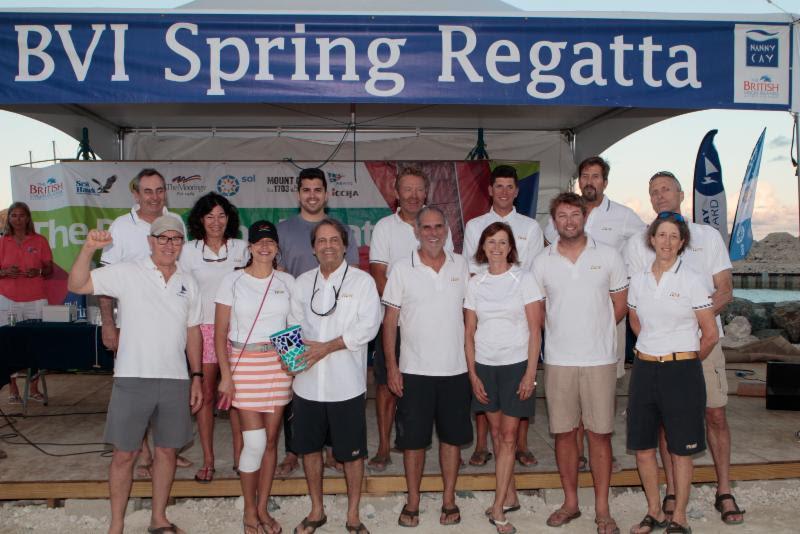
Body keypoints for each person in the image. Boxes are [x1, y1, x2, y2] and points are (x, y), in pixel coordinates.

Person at [67, 215, 203, 534]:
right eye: (162, 238)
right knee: (125, 454)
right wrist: (88, 249)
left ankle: (159, 519)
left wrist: (196, 375)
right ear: (150, 241)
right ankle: (116, 525)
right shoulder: (128, 272)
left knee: (167, 451)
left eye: (176, 238)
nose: (169, 244)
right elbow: (77, 284)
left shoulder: (189, 281)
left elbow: (193, 331)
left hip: (175, 379)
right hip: (132, 377)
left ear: (182, 244)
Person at [624, 171, 742, 525]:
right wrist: (658, 343)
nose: (660, 196)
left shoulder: (707, 237)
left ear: (679, 193)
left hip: (700, 345)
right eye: (653, 192)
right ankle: (672, 496)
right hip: (659, 354)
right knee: (662, 426)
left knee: (715, 415)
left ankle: (724, 491)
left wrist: (690, 336)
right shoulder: (637, 245)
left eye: (666, 189)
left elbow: (724, 290)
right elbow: (635, 310)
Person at [532, 193, 628, 534]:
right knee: (564, 435)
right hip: (558, 361)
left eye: (575, 214)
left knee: (600, 436)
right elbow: (538, 312)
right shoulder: (541, 261)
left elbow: (620, 305)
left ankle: (602, 510)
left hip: (600, 360)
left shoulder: (610, 256)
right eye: (562, 215)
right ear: (553, 220)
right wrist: (561, 332)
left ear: (585, 217)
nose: (569, 221)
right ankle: (571, 503)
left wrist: (595, 330)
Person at [545, 156, 645, 473]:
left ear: (605, 181)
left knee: (605, 388)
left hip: (609, 313)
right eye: (585, 176)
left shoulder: (625, 216)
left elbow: (646, 247)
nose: (590, 181)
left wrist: (607, 317)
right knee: (569, 403)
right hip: (567, 321)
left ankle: (602, 449)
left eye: (596, 176)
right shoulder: (559, 220)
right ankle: (577, 455)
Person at [626, 212, 719, 534]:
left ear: (682, 244)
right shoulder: (637, 280)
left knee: (681, 449)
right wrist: (653, 346)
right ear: (651, 239)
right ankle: (653, 511)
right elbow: (635, 321)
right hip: (644, 369)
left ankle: (678, 515)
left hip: (682, 371)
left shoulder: (692, 280)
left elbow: (710, 334)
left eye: (673, 237)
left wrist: (687, 361)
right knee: (643, 447)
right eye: (661, 235)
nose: (666, 242)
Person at [288, 218, 381, 534]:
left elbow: (368, 327)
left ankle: (353, 516)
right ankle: (317, 511)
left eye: (334, 240)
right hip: (307, 385)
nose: (327, 245)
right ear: (313, 249)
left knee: (352, 454)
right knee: (310, 450)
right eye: (321, 240)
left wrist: (326, 347)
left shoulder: (362, 282)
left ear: (345, 245)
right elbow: (292, 325)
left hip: (346, 387)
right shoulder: (301, 283)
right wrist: (292, 358)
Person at [98, 168, 192, 476]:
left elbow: (183, 272)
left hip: (169, 329)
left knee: (165, 391)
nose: (154, 197)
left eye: (160, 190)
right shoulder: (121, 226)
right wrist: (110, 325)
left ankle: (165, 451)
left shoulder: (176, 222)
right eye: (148, 191)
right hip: (131, 327)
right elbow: (105, 282)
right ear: (136, 194)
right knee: (136, 394)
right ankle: (143, 453)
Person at [382, 207, 471, 528]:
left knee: (452, 440)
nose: (433, 232)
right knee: (413, 441)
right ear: (416, 231)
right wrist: (392, 368)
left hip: (455, 371)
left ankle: (449, 500)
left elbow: (471, 318)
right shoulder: (401, 270)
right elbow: (389, 322)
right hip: (414, 371)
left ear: (447, 229)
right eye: (426, 227)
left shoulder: (462, 265)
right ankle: (413, 501)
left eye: (439, 226)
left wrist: (473, 368)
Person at [368, 166, 454, 473]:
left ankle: (416, 440)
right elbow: (379, 275)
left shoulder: (439, 226)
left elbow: (450, 269)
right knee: (386, 385)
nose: (414, 195)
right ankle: (382, 446)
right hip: (397, 322)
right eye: (408, 189)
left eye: (420, 189)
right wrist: (403, 312)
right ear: (396, 192)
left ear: (426, 193)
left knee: (428, 387)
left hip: (434, 326)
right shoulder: (384, 228)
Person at [275, 167, 360, 477]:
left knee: (332, 390)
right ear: (298, 194)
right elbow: (278, 278)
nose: (312, 195)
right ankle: (293, 451)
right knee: (294, 388)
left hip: (334, 325)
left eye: (317, 190)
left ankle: (331, 452)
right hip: (295, 320)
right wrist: (289, 343)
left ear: (327, 194)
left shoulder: (341, 230)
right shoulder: (283, 230)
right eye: (306, 190)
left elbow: (354, 280)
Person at [462, 165, 544, 469]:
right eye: (499, 186)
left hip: (517, 309)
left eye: (510, 187)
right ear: (490, 190)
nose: (505, 192)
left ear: (517, 191)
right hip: (484, 309)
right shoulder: (474, 225)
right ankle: (483, 444)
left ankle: (520, 445)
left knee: (518, 385)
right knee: (485, 387)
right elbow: (473, 268)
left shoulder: (530, 227)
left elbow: (532, 272)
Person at [215, 220, 293, 534]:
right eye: (258, 242)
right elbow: (220, 333)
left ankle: (262, 508)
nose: (264, 246)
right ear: (249, 247)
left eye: (270, 242)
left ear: (276, 247)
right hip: (243, 366)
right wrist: (225, 375)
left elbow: (292, 326)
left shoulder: (287, 281)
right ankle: (249, 511)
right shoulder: (232, 282)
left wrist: (293, 364)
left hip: (276, 366)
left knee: (272, 440)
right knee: (255, 441)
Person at [464, 222, 543, 534]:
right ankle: (509, 494)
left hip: (515, 366)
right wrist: (472, 374)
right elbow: (469, 332)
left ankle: (497, 508)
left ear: (511, 247)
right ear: (482, 247)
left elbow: (536, 331)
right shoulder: (475, 283)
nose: (496, 248)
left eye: (502, 242)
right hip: (484, 366)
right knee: (497, 436)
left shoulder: (524, 279)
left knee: (509, 437)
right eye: (490, 242)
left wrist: (529, 374)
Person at [179, 192, 249, 483]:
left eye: (221, 215)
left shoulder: (243, 248)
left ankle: (240, 459)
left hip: (237, 331)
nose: (216, 222)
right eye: (210, 216)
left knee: (237, 398)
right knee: (205, 397)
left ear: (229, 218)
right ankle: (208, 460)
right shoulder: (188, 251)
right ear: (200, 220)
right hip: (204, 330)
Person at [0, 201, 53, 402]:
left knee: (37, 342)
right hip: (7, 299)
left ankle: (33, 388)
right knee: (8, 343)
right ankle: (12, 388)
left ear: (28, 218)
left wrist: (38, 271)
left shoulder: (39, 240)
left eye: (22, 215)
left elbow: (49, 269)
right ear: (9, 218)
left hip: (36, 299)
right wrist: (4, 272)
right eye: (14, 216)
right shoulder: (2, 242)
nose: (18, 219)